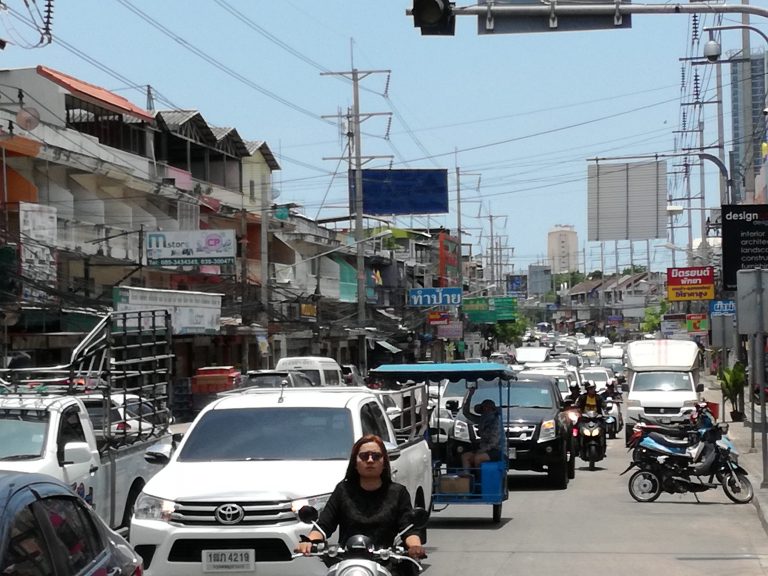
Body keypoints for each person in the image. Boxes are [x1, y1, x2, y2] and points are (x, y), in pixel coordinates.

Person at [295, 435, 425, 573]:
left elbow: (408, 528)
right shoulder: (343, 490)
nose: (370, 460)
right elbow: (324, 525)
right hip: (346, 563)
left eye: (376, 456)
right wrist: (308, 541)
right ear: (355, 463)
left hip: (385, 563)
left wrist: (415, 547)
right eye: (364, 456)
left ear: (384, 462)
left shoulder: (398, 492)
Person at [461, 399, 503, 470]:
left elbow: (494, 442)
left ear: (492, 410)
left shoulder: (496, 421)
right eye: (484, 408)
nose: (486, 410)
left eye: (488, 408)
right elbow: (466, 414)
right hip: (484, 449)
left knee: (478, 458)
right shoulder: (482, 419)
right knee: (465, 456)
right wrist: (469, 397)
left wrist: (483, 450)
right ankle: (467, 475)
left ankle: (481, 476)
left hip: (496, 450)